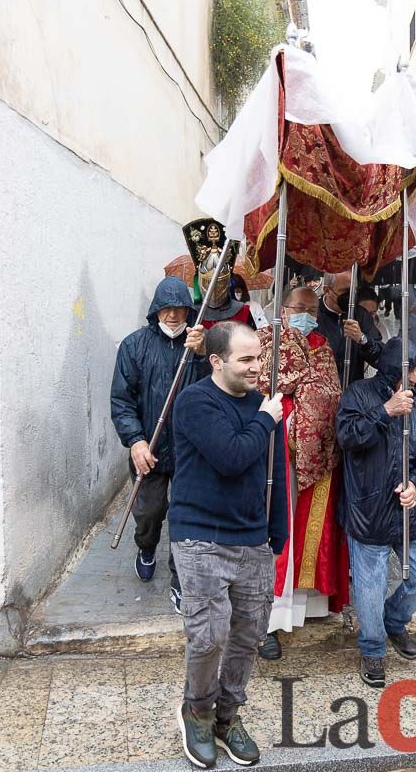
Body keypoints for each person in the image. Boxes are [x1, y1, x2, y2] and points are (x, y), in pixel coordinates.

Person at [168, 321, 288, 768]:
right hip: (199, 533)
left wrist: (277, 534)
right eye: (246, 359)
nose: (258, 367)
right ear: (217, 361)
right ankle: (197, 710)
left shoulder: (263, 406)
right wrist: (266, 419)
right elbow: (233, 458)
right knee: (209, 633)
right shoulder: (195, 402)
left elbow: (273, 475)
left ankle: (228, 715)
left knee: (250, 632)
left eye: (260, 357)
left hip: (252, 537)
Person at [336, 339, 416, 688]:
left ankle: (394, 620)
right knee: (370, 586)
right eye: (411, 370)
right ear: (392, 370)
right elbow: (347, 436)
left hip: (409, 510)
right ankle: (372, 647)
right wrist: (385, 411)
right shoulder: (358, 394)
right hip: (368, 508)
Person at [255, 287, 350, 662]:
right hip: (274, 450)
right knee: (277, 529)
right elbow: (262, 382)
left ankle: (304, 605)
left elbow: (331, 391)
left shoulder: (323, 345)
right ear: (283, 308)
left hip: (317, 452)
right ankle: (269, 617)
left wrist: (310, 394)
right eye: (299, 308)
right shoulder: (266, 340)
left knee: (309, 529)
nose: (306, 314)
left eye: (312, 309)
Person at [110, 277, 207, 613]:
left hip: (189, 450)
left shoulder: (197, 347)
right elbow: (121, 401)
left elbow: (216, 387)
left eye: (179, 308)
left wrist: (204, 355)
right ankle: (146, 545)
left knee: (185, 517)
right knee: (150, 512)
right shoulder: (134, 346)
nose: (173, 315)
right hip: (149, 447)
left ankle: (179, 579)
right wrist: (135, 441)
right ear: (155, 311)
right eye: (166, 308)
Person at [318, 272, 383, 387]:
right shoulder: (314, 313)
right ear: (327, 290)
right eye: (344, 291)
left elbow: (380, 357)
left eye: (353, 290)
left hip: (352, 390)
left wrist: (363, 339)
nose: (350, 296)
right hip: (321, 389)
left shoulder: (360, 314)